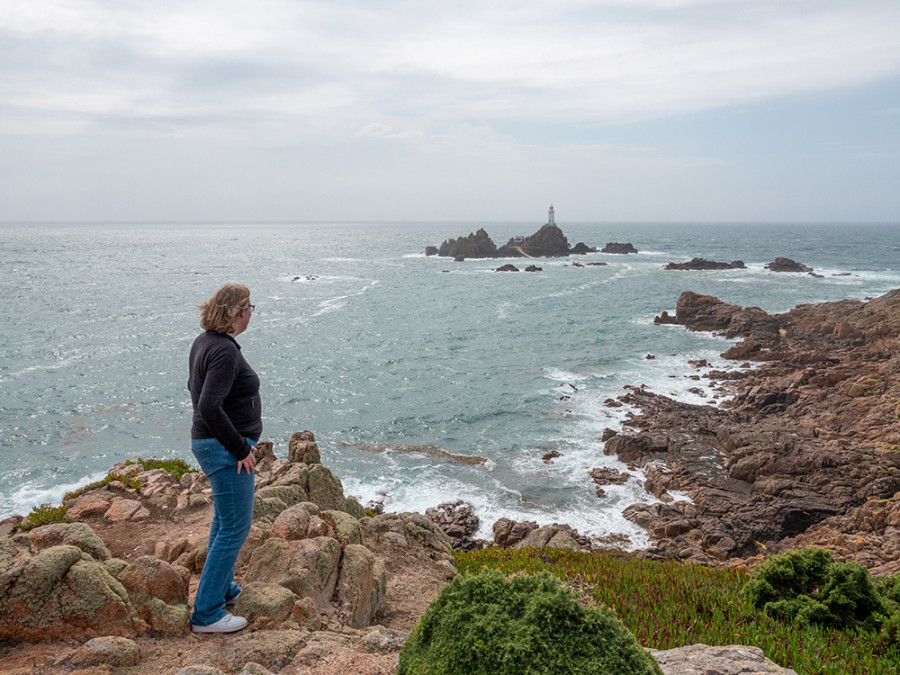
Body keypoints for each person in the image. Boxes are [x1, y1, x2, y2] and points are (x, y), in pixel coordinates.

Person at [188, 283, 261, 633]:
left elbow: (197, 394)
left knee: (223, 520)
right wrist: (240, 448)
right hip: (224, 448)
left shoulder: (206, 342)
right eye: (248, 306)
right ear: (235, 312)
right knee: (235, 526)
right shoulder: (224, 352)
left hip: (209, 443)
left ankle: (223, 588)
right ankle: (207, 614)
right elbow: (208, 405)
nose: (251, 312)